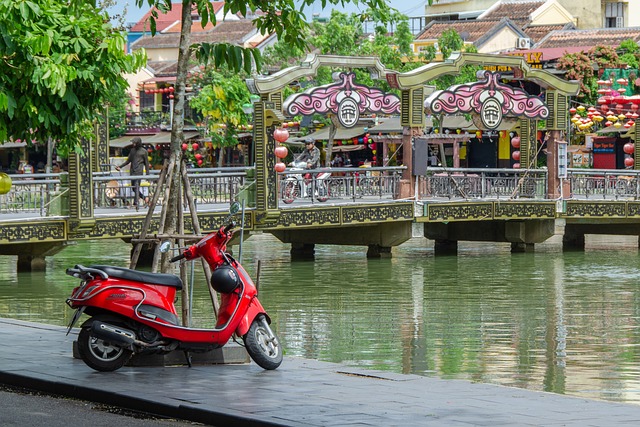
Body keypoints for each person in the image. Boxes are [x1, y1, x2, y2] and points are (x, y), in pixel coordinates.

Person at [116, 136, 150, 209]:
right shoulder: (132, 151)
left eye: (135, 143)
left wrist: (147, 175)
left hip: (139, 172)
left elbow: (146, 163)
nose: (133, 144)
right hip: (132, 171)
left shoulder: (144, 151)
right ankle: (145, 198)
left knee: (136, 187)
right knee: (134, 188)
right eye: (133, 143)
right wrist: (120, 166)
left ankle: (136, 203)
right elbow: (128, 161)